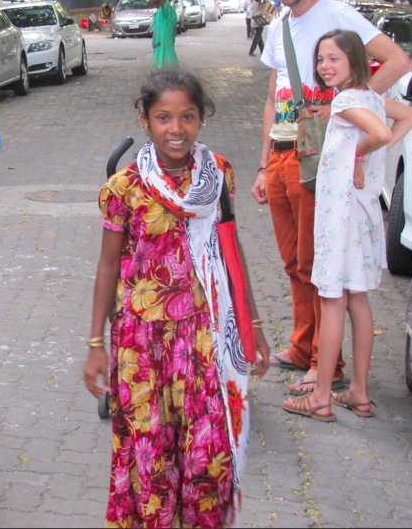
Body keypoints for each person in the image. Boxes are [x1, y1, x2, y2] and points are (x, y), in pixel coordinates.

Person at [85, 70, 270, 528]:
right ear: (145, 121)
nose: (176, 128)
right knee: (150, 459)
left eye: (187, 116)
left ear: (201, 119)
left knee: (208, 457)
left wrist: (255, 325)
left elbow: (231, 250)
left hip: (204, 334)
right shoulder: (123, 188)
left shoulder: (218, 175)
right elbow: (108, 266)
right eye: (163, 117)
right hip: (139, 341)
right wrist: (94, 345)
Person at [251, 0, 411, 397]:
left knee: (315, 262)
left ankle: (326, 363)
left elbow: (398, 61)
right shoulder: (281, 24)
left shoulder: (337, 14)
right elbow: (270, 98)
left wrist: (349, 102)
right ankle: (303, 347)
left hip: (317, 155)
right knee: (292, 262)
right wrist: (263, 165)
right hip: (282, 154)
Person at [283, 31, 412, 421]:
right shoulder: (373, 99)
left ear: (354, 60)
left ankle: (321, 396)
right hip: (364, 212)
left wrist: (358, 155)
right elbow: (408, 117)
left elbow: (382, 133)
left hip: (339, 214)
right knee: (357, 298)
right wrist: (374, 156)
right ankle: (358, 391)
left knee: (332, 299)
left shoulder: (345, 101)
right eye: (321, 59)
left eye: (334, 59)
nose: (325, 67)